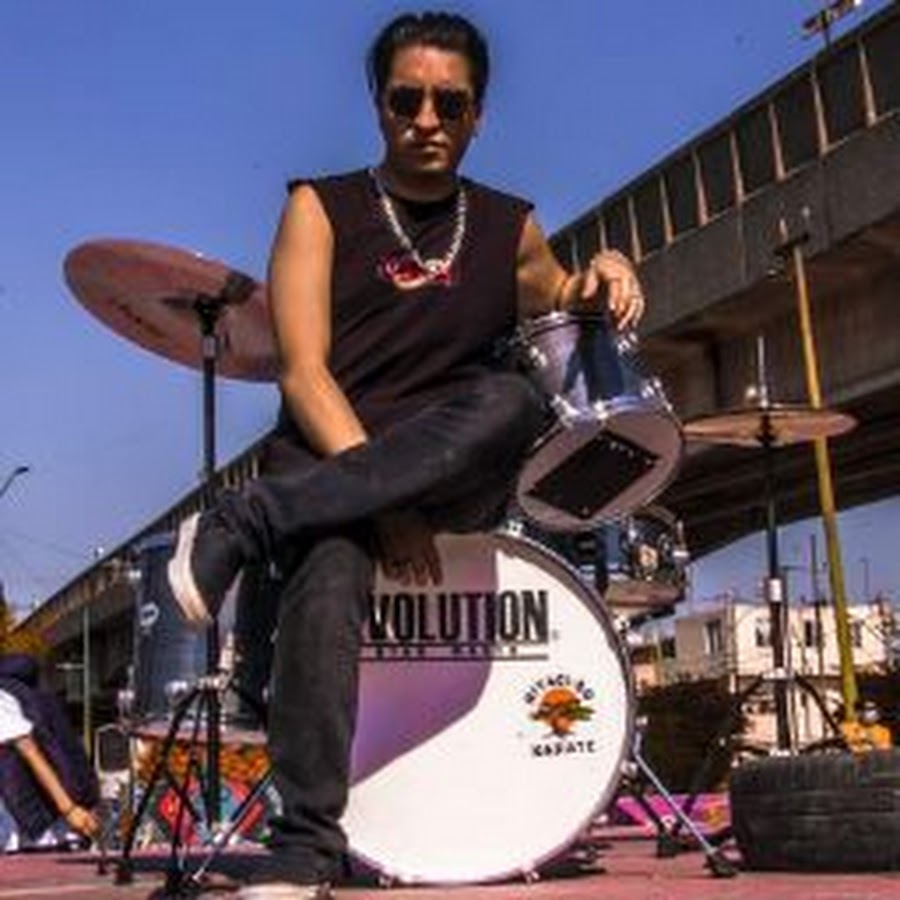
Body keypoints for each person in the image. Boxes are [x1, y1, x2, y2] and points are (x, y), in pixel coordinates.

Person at [168, 11, 645, 899]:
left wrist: (610, 262)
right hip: (327, 464)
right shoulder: (319, 209)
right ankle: (307, 845)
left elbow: (565, 299)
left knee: (515, 398)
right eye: (407, 99)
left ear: (478, 116)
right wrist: (379, 502)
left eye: (449, 103)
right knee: (329, 563)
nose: (427, 119)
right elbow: (303, 373)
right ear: (379, 105)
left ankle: (244, 522)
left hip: (449, 477)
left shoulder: (510, 225)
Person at [0, 652, 100, 850]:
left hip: (32, 825)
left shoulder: (3, 698)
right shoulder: (37, 696)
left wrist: (69, 810)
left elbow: (30, 751)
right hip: (50, 819)